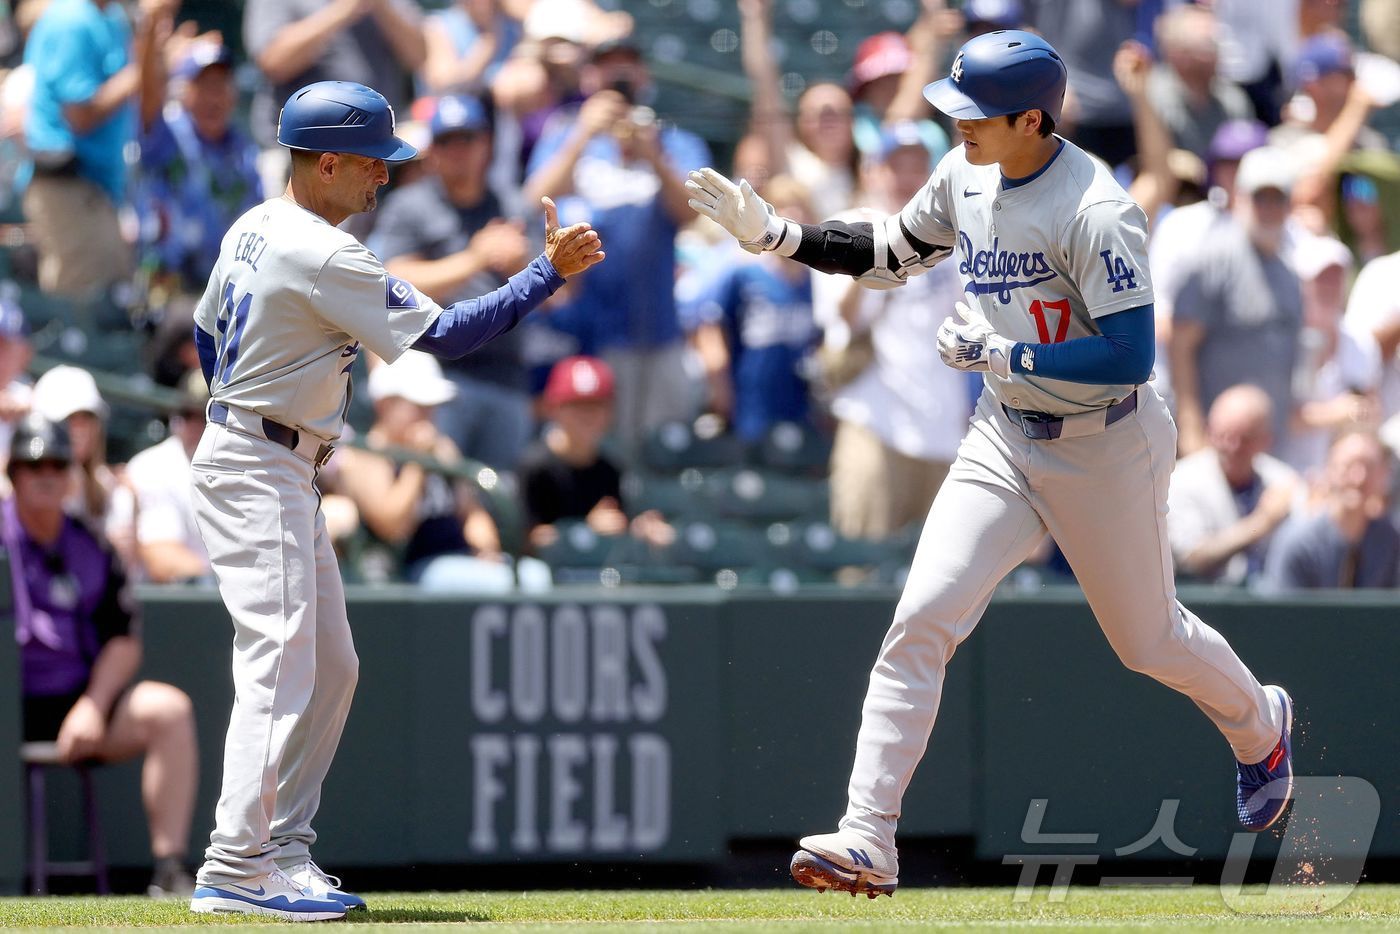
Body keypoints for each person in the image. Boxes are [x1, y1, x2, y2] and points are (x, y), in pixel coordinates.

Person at [687, 29, 1293, 898]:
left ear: (1034, 119)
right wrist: (779, 235)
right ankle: (869, 836)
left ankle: (1259, 723)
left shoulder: (1096, 208)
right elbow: (892, 254)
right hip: (1005, 435)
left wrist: (1010, 358)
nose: (957, 124)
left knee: (1148, 640)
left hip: (1105, 441)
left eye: (976, 113)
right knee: (920, 621)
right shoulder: (965, 173)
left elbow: (1130, 356)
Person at [186, 80, 602, 920]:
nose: (385, 179)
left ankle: (284, 851)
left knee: (332, 666)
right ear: (327, 161)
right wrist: (542, 275)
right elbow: (449, 334)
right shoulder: (322, 250)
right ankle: (235, 864)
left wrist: (251, 402)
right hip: (259, 463)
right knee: (279, 663)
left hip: (269, 455)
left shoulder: (255, 225)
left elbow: (203, 335)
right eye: (373, 164)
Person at [4, 415, 198, 899]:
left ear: (72, 472)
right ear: (13, 476)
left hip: (75, 704)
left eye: (56, 463)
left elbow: (123, 637)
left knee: (167, 709)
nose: (45, 474)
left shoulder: (91, 543)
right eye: (32, 466)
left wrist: (93, 703)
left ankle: (170, 869)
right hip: (8, 702)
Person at [523, 39, 710, 453]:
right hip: (591, 332)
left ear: (644, 77)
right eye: (608, 68)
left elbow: (690, 213)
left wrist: (653, 155)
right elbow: (535, 198)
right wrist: (584, 134)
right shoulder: (567, 133)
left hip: (660, 331)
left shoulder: (673, 140)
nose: (619, 77)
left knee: (664, 449)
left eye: (628, 67)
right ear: (590, 77)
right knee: (601, 454)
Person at [812, 121, 967, 541]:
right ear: (872, 171)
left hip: (944, 428)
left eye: (918, 166)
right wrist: (878, 253)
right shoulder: (847, 226)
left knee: (943, 582)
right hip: (875, 420)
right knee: (862, 567)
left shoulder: (953, 236)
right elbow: (844, 320)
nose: (906, 177)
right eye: (895, 165)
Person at [372, 93, 535, 468]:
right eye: (447, 141)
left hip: (506, 373)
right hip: (436, 377)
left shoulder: (511, 205)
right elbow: (392, 283)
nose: (459, 151)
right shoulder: (411, 204)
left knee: (500, 494)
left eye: (468, 139)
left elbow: (561, 293)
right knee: (440, 494)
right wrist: (475, 259)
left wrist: (523, 265)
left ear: (487, 144)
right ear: (433, 149)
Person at [336, 350, 518, 592]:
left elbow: (469, 509)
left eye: (432, 407)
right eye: (419, 406)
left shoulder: (442, 447)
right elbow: (392, 527)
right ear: (385, 404)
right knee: (501, 584)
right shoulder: (366, 456)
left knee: (532, 576)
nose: (428, 416)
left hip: (461, 559)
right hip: (411, 568)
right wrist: (417, 464)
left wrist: (486, 544)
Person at [21, 0, 169, 297]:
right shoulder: (70, 20)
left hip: (99, 191)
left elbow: (147, 107)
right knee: (83, 312)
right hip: (67, 189)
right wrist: (139, 70)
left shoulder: (111, 17)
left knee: (110, 302)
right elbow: (81, 115)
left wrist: (152, 32)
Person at [1168, 146, 1304, 456]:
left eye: (1277, 198)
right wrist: (1190, 429)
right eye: (1260, 197)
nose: (1269, 208)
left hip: (1271, 446)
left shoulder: (1288, 270)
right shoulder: (1215, 258)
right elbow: (1181, 344)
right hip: (1220, 445)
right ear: (1240, 197)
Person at [681, 174, 818, 443]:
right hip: (750, 401)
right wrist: (720, 386)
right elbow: (710, 325)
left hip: (802, 403)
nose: (793, 213)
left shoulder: (817, 278)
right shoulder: (744, 272)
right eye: (783, 206)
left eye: (799, 206)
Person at [136, 36, 265, 302]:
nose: (213, 98)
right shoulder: (167, 135)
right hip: (167, 289)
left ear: (233, 94)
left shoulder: (245, 152)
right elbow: (146, 98)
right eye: (204, 86)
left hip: (225, 291)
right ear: (184, 92)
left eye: (221, 86)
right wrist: (150, 32)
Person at [519, 354, 672, 551]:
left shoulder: (611, 469)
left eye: (596, 406)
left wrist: (639, 529)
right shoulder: (535, 466)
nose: (587, 417)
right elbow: (525, 542)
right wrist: (586, 530)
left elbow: (618, 526)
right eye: (577, 406)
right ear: (554, 408)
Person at [1168, 384, 1299, 586]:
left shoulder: (1282, 479)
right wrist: (1262, 522)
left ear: (1266, 440)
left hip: (1272, 606)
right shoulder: (1183, 479)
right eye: (1223, 436)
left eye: (1244, 439)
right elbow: (1191, 558)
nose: (1231, 447)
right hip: (1205, 607)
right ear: (1209, 432)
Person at [1260, 429, 1399, 591]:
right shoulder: (1300, 543)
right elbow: (1283, 612)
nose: (1358, 478)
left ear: (1384, 473)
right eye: (1348, 466)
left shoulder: (1391, 541)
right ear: (1329, 468)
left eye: (1369, 466)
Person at [110, 372, 211, 583]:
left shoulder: (243, 465)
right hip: (171, 605)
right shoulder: (153, 467)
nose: (194, 426)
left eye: (203, 416)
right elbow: (163, 559)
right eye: (187, 415)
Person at [1145, 5, 1253, 160]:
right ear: (1178, 53)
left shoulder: (1233, 100)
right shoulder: (1152, 97)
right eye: (1208, 46)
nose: (1217, 53)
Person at [30, 365, 119, 529]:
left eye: (87, 418)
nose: (80, 430)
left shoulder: (107, 486)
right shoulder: (13, 483)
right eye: (69, 419)